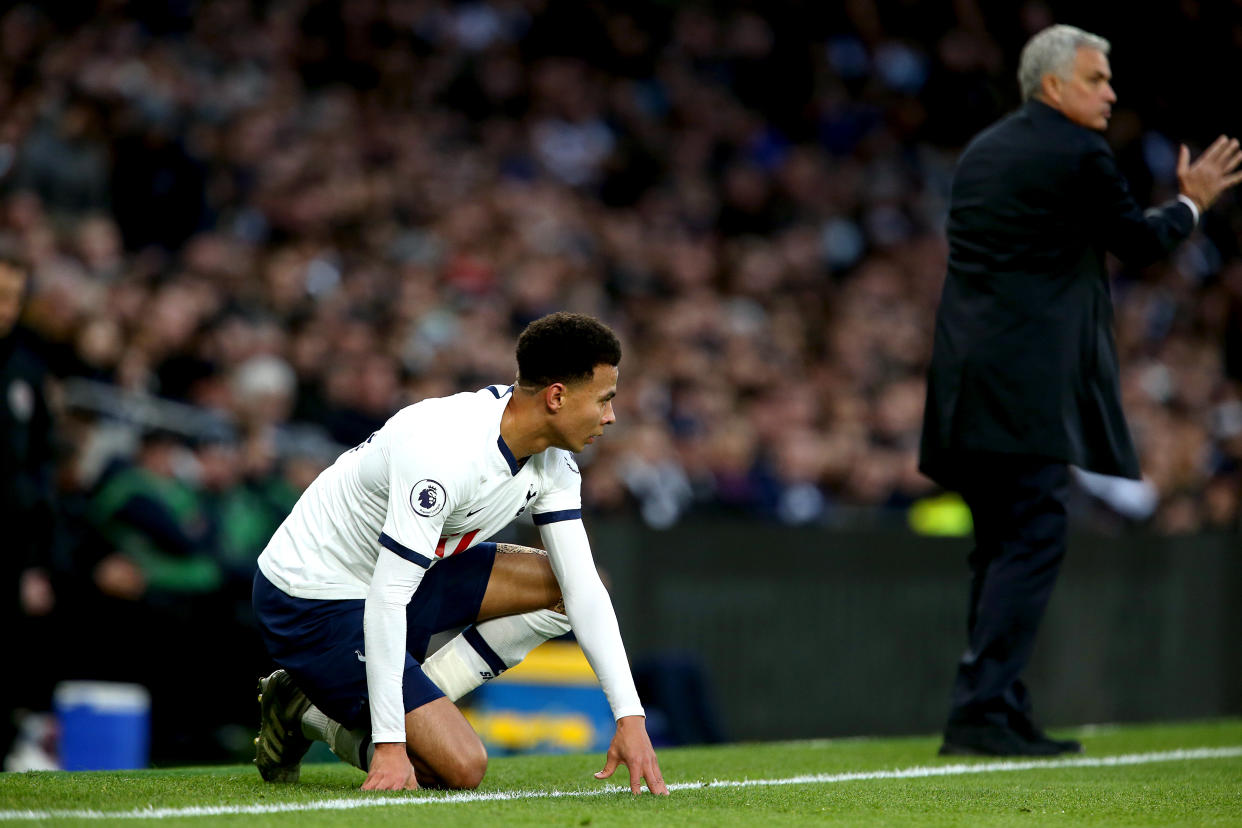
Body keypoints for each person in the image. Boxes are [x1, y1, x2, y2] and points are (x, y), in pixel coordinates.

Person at [919, 24, 1242, 757]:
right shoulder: (1074, 150)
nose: (1110, 92)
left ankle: (996, 706)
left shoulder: (985, 150)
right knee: (1032, 536)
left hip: (963, 380)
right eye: (1097, 79)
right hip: (1024, 384)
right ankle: (981, 707)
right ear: (1054, 85)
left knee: (999, 546)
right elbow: (1136, 240)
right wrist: (1192, 203)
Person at [251, 312, 668, 794]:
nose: (610, 416)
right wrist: (390, 746)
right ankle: (309, 713)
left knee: (564, 587)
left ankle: (401, 699)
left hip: (406, 576)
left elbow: (585, 593)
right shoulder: (445, 450)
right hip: (313, 598)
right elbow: (386, 598)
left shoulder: (555, 464)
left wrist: (630, 718)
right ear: (556, 396)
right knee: (460, 769)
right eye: (604, 399)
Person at [0, 252, 59, 764]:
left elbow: (41, 468)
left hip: (13, 550)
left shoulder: (26, 370)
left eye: (14, 298)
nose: (5, 308)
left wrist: (37, 561)